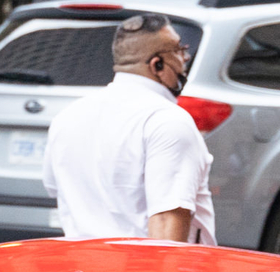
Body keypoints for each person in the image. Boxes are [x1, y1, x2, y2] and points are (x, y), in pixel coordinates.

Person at [40, 13, 216, 243]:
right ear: (157, 64)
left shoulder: (67, 117)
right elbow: (166, 227)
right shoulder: (167, 121)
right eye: (179, 50)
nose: (186, 58)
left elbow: (55, 189)